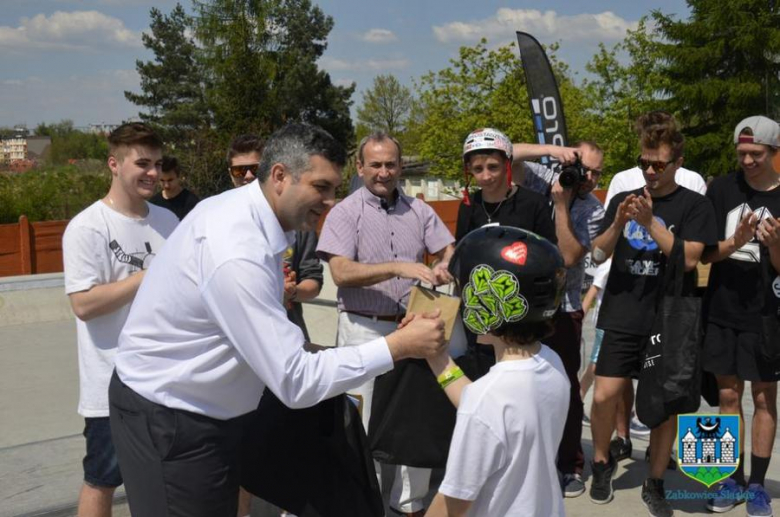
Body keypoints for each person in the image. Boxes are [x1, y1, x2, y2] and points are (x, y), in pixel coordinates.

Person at [108, 123, 447, 517]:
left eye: (335, 188)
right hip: (171, 421)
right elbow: (294, 381)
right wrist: (398, 347)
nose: (330, 201)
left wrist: (322, 350)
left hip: (209, 414)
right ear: (281, 176)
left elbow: (271, 341)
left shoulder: (249, 218)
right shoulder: (236, 249)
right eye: (321, 187)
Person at [317, 132, 455, 517]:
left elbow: (448, 247)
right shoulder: (345, 212)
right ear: (360, 168)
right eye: (375, 164)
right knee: (363, 425)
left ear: (400, 166)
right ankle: (366, 504)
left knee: (415, 419)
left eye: (390, 164)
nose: (383, 172)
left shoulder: (419, 209)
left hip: (412, 324)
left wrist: (444, 263)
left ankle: (408, 507)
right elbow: (341, 272)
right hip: (364, 328)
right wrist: (398, 266)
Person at [589, 110, 717, 516]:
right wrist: (621, 221)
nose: (649, 171)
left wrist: (651, 223)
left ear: (677, 163)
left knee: (664, 406)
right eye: (644, 163)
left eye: (658, 164)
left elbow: (690, 259)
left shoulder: (695, 205)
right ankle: (601, 463)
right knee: (606, 393)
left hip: (669, 318)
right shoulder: (625, 198)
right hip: (623, 310)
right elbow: (598, 252)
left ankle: (656, 480)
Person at [62, 122, 179, 517]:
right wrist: (147, 277)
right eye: (142, 163)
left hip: (167, 381)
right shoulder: (87, 227)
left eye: (158, 164)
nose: (152, 173)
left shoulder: (169, 222)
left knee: (165, 480)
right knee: (103, 479)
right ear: (114, 164)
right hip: (110, 385)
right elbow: (84, 304)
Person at [415, 225, 570, 516]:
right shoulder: (550, 362)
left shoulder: (488, 400)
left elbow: (453, 503)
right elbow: (491, 412)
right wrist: (437, 357)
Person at [225, 134, 322, 517]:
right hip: (239, 358)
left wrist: (294, 291)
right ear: (230, 174)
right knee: (239, 450)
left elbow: (315, 279)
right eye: (239, 170)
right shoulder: (219, 220)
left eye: (254, 168)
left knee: (288, 437)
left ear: (271, 172)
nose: (247, 175)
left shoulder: (296, 223)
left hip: (287, 344)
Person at [511, 140, 606, 497]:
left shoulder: (593, 209)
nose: (589, 178)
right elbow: (504, 152)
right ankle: (527, 461)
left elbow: (568, 257)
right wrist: (550, 150)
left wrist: (562, 206)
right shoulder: (541, 176)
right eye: (584, 168)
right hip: (523, 305)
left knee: (565, 389)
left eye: (597, 172)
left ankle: (569, 465)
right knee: (522, 386)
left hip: (563, 307)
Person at [701, 115, 780, 516]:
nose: (748, 160)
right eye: (742, 153)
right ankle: (728, 479)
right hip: (722, 308)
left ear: (774, 152)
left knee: (764, 397)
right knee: (728, 396)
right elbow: (706, 254)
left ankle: (757, 487)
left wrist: (776, 246)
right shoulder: (722, 190)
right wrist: (737, 241)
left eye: (757, 154)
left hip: (767, 313)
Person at [149, 155, 200, 220]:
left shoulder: (191, 202)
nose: (166, 185)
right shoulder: (153, 203)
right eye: (162, 180)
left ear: (178, 177)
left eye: (170, 180)